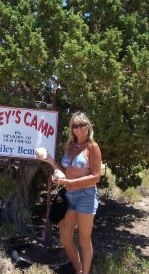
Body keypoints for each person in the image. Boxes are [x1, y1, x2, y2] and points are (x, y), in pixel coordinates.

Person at [37, 111, 101, 274]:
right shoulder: (71, 146)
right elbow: (65, 171)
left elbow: (96, 177)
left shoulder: (92, 147)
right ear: (72, 129)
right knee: (65, 238)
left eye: (81, 125)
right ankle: (79, 269)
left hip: (85, 196)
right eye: (75, 126)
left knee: (84, 240)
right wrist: (50, 160)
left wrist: (70, 182)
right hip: (69, 196)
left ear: (88, 127)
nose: (78, 129)